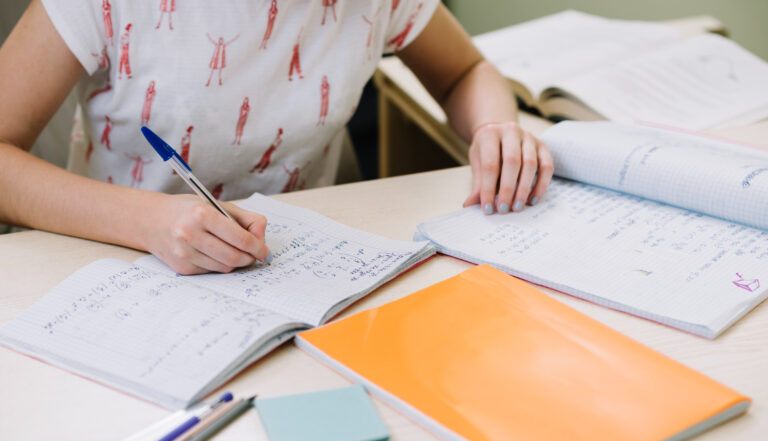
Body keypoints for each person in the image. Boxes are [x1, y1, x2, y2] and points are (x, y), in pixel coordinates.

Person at [0, 0, 553, 276]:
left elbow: (464, 72)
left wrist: (496, 127)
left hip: (293, 270)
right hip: (122, 264)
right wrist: (147, 221)